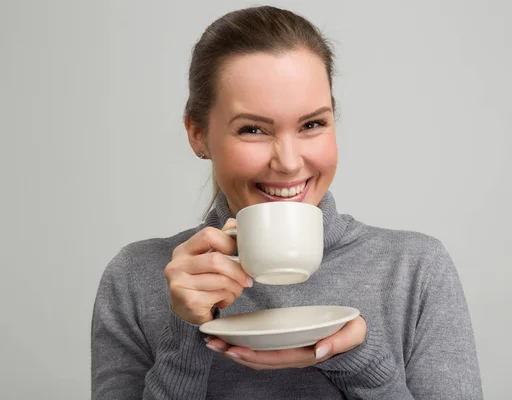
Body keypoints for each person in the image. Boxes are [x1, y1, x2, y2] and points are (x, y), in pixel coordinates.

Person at [91, 5, 483, 399]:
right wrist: (187, 331)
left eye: (312, 124)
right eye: (253, 129)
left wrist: (359, 360)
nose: (290, 162)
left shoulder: (415, 269)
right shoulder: (135, 277)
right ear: (198, 135)